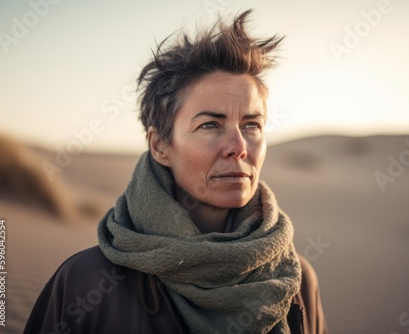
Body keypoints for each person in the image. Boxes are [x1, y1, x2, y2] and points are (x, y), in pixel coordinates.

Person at [24, 10, 328, 334]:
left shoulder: (294, 278)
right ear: (160, 146)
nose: (239, 146)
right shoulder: (87, 283)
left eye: (251, 125)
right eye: (210, 124)